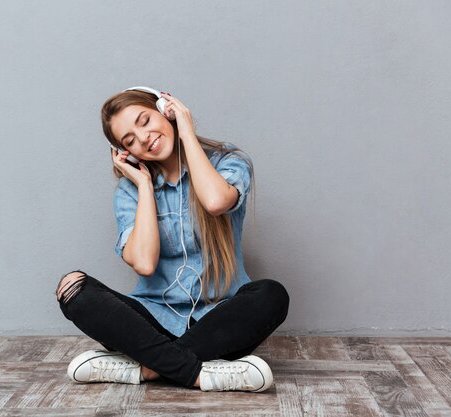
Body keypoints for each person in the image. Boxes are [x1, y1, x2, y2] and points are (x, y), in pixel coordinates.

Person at [55, 86, 290, 392]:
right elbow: (144, 263)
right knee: (74, 288)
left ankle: (149, 369)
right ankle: (199, 374)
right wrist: (142, 185)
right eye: (130, 141)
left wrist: (186, 132)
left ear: (166, 110)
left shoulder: (227, 161)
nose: (144, 138)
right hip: (150, 325)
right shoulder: (129, 192)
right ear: (126, 153)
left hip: (221, 324)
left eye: (144, 121)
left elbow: (217, 202)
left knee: (272, 294)